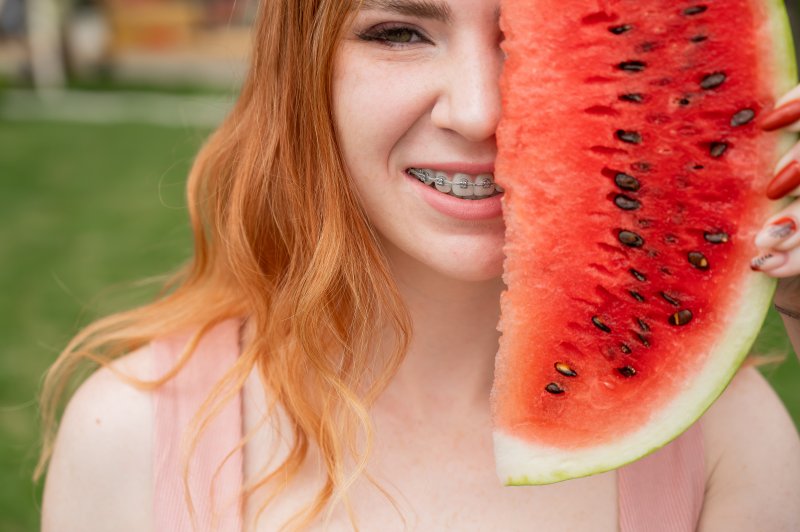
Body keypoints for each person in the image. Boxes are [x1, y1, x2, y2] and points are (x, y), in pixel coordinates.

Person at [39, 0, 800, 530]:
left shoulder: (729, 445)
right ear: (302, 72)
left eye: (526, 32)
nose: (477, 111)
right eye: (399, 31)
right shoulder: (127, 439)